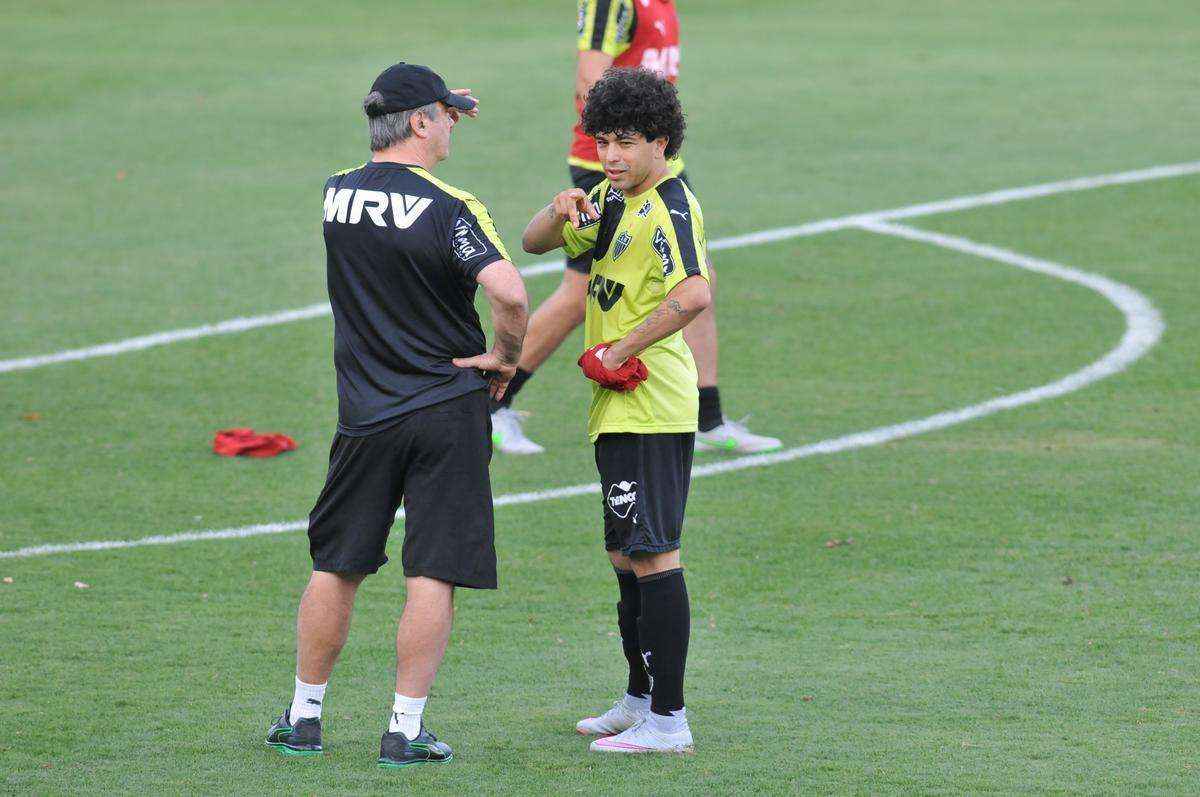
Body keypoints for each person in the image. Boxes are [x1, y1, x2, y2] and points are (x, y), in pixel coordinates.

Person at [264, 62, 529, 768]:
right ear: (418, 122)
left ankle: (303, 717)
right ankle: (404, 729)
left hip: (365, 414)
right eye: (445, 115)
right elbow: (509, 291)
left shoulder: (336, 195)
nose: (452, 126)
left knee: (336, 563)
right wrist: (505, 358)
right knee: (431, 571)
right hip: (445, 407)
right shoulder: (451, 205)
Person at [490, 0, 781, 456]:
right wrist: (615, 150)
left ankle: (707, 416)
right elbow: (589, 78)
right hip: (612, 170)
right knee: (578, 294)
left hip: (659, 163)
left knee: (700, 274)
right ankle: (493, 403)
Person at [523, 67, 705, 754]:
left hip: (651, 402)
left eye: (626, 140)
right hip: (616, 406)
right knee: (624, 554)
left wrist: (620, 348)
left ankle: (670, 719)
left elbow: (694, 293)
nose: (612, 155)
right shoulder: (610, 198)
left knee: (654, 554)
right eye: (603, 140)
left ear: (660, 140)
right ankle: (637, 698)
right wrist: (559, 208)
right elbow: (535, 243)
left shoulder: (670, 204)